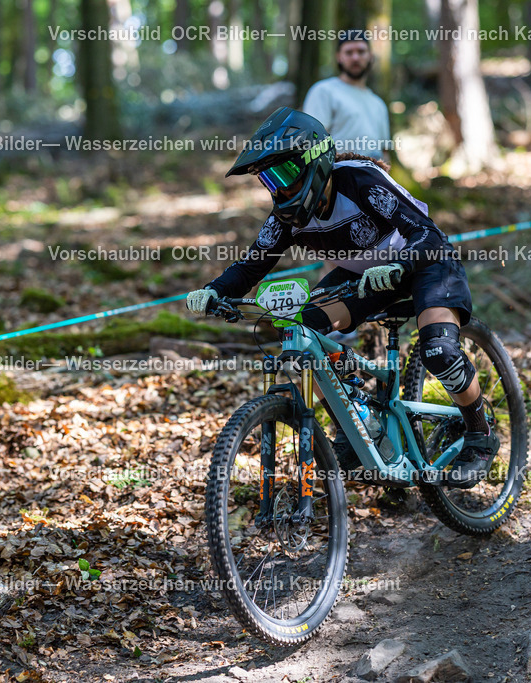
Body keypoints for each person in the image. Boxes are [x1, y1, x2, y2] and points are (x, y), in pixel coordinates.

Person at [186, 108, 497, 488]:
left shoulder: (361, 182)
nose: (278, 189)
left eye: (283, 174)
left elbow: (426, 234)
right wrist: (214, 291)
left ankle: (480, 433)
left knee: (439, 351)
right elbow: (251, 267)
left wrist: (400, 265)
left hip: (425, 264)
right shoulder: (288, 217)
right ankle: (356, 423)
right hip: (362, 278)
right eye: (268, 180)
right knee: (300, 335)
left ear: (314, 161)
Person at [302, 30, 391, 162]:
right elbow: (312, 143)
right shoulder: (324, 91)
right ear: (339, 57)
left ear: (370, 56)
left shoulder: (378, 104)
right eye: (349, 52)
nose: (355, 58)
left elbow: (385, 153)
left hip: (372, 180)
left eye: (361, 52)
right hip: (336, 178)